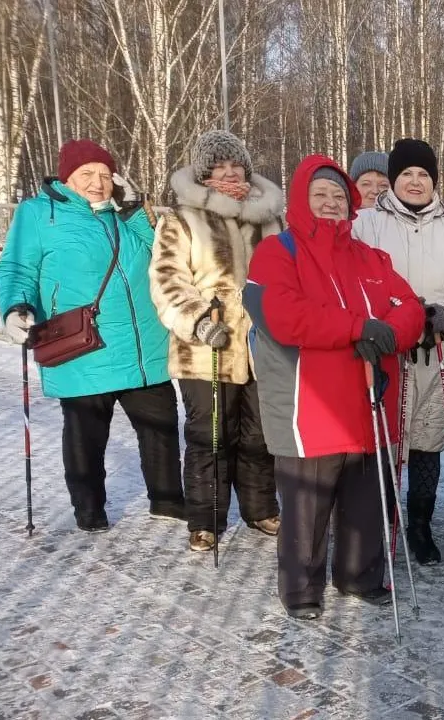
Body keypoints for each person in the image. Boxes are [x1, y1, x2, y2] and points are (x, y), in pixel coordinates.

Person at [244, 155, 423, 620]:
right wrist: (360, 327)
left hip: (369, 401)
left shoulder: (371, 257)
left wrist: (394, 331)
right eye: (319, 195)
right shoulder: (276, 252)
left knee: (367, 499)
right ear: (301, 200)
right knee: (307, 507)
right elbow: (284, 316)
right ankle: (302, 588)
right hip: (310, 405)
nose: (330, 203)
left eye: (338, 196)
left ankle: (358, 576)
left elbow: (408, 305)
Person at [0, 139, 185, 533]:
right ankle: (89, 508)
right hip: (83, 346)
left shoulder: (125, 215)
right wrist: (15, 307)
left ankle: (167, 501)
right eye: (87, 175)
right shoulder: (39, 214)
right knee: (86, 436)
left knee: (161, 427)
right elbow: (16, 268)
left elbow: (165, 257)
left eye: (104, 175)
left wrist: (134, 211)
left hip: (143, 345)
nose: (97, 183)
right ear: (67, 178)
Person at [352, 138, 444, 565]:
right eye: (407, 174)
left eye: (424, 175)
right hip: (385, 350)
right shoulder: (365, 224)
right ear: (393, 180)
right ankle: (384, 520)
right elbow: (352, 281)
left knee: (429, 439)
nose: (415, 182)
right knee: (385, 437)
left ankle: (419, 526)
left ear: (434, 181)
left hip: (438, 348)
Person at [149, 130, 286, 552]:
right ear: (203, 173)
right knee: (210, 434)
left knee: (260, 434)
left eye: (235, 165)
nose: (229, 172)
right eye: (219, 167)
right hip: (207, 345)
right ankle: (205, 518)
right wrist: (195, 320)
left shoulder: (271, 218)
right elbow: (168, 279)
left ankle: (260, 508)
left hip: (263, 343)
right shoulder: (181, 219)